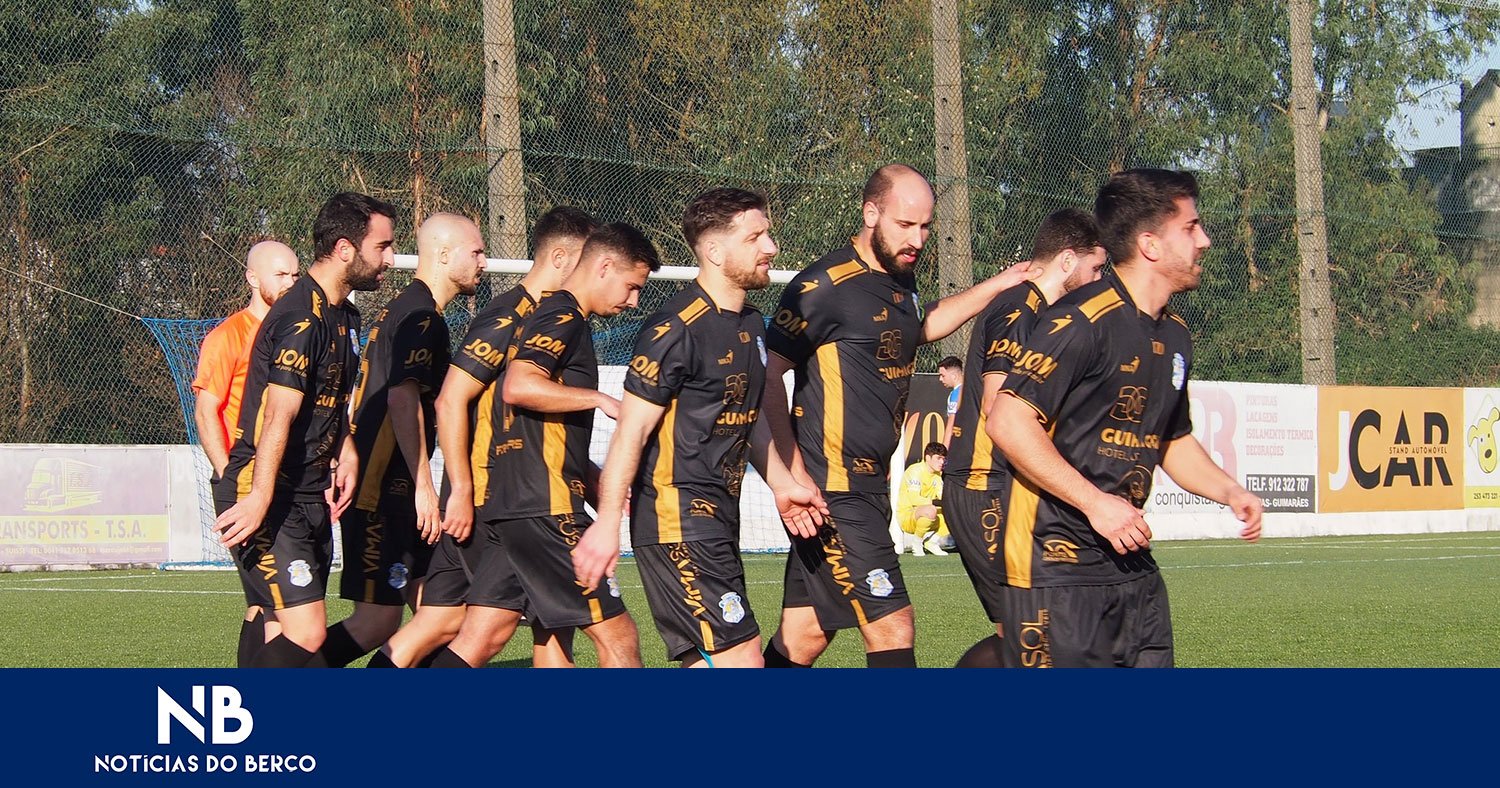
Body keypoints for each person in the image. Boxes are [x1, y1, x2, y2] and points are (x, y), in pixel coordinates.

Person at [760, 163, 1036, 668]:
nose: (918, 238)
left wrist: (1001, 283)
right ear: (871, 214)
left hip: (866, 487)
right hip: (831, 487)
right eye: (906, 225)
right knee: (891, 624)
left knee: (805, 635)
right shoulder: (823, 285)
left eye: (926, 226)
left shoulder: (900, 281)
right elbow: (766, 374)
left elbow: (923, 326)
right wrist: (793, 475)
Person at [985, 169, 1263, 667]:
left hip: (1130, 564)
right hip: (1055, 563)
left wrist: (1229, 491)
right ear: (1150, 244)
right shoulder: (1079, 321)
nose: (1205, 240)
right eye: (1191, 228)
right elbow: (1007, 420)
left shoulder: (1175, 334)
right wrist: (1096, 504)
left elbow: (1171, 441)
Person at [573, 188, 826, 668]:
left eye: (767, 234)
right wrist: (607, 524)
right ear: (713, 251)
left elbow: (747, 421)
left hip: (717, 517)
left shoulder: (751, 322)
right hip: (676, 519)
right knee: (742, 660)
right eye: (756, 236)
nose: (770, 247)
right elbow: (631, 430)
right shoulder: (675, 329)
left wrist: (782, 484)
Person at [435, 222, 660, 668]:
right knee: (617, 633)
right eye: (632, 286)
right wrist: (600, 399)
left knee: (486, 635)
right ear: (604, 266)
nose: (633, 301)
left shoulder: (545, 314)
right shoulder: (563, 316)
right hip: (546, 506)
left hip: (513, 504)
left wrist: (590, 476)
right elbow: (519, 386)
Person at [395, 206, 596, 669]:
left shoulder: (555, 318)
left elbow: (536, 428)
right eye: (591, 264)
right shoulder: (511, 315)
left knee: (446, 624)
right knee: (494, 631)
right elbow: (450, 400)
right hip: (497, 501)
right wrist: (462, 492)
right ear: (563, 258)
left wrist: (591, 475)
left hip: (519, 493)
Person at [213, 191, 396, 668]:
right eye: (382, 247)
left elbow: (330, 400)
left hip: (309, 491)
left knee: (278, 622)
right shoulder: (300, 316)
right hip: (269, 490)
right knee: (307, 630)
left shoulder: (347, 316)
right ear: (344, 248)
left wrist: (347, 449)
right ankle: (225, 716)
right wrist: (259, 497)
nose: (390, 259)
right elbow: (280, 413)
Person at [317, 213, 487, 667]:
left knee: (446, 617)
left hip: (396, 490)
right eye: (476, 251)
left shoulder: (408, 309)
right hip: (380, 490)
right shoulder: (421, 317)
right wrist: (424, 487)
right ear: (445, 255)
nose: (484, 262)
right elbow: (400, 397)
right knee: (377, 622)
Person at [941, 207, 1107, 667]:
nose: (1099, 281)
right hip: (984, 485)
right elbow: (998, 407)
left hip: (997, 485)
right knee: (1032, 636)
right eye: (1096, 269)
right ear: (1068, 261)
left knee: (1031, 636)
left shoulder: (1038, 311)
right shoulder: (1020, 309)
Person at [191, 240, 300, 667]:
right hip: (244, 482)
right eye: (280, 275)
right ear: (253, 278)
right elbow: (206, 410)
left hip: (281, 479)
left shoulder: (296, 331)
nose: (290, 283)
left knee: (264, 602)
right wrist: (230, 475)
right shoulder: (229, 336)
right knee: (278, 604)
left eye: (294, 274)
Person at [896, 442, 949, 557]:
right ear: (927, 457)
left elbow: (941, 496)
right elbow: (914, 499)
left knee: (954, 513)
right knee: (930, 509)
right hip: (908, 516)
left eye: (943, 459)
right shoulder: (915, 470)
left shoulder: (937, 475)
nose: (942, 462)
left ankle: (932, 542)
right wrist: (936, 502)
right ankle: (917, 543)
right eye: (938, 458)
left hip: (929, 516)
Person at [937, 356, 962, 448]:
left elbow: (951, 424)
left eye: (943, 375)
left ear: (954, 376)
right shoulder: (972, 388)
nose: (940, 379)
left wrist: (944, 451)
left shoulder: (956, 394)